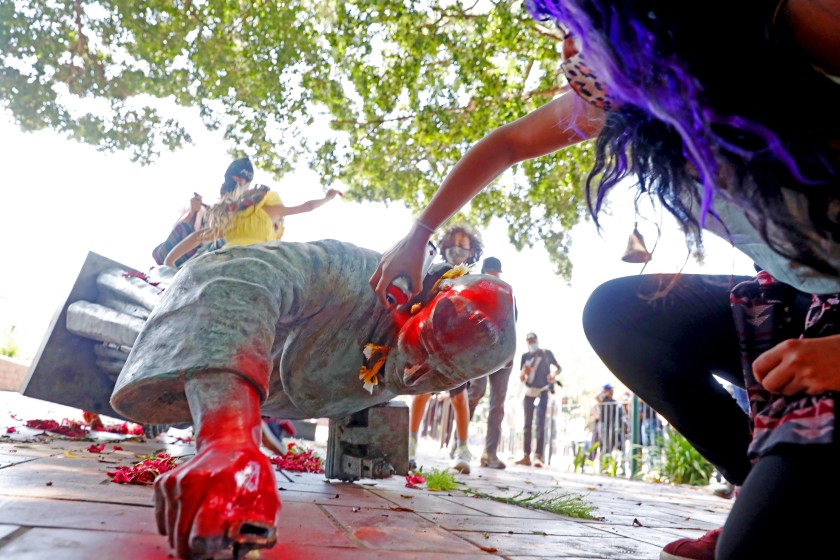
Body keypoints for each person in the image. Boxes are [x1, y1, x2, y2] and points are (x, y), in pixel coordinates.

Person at [369, 1, 840, 557]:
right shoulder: (636, 100)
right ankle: (759, 473)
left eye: (579, 25)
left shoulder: (782, 19)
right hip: (802, 307)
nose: (567, 51)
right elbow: (508, 144)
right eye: (561, 29)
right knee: (619, 314)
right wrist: (419, 232)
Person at [110, 239, 517, 559]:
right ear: (419, 304)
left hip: (273, 386)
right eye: (423, 345)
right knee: (137, 307)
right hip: (191, 330)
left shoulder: (429, 362)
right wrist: (228, 438)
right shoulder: (354, 274)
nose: (416, 374)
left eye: (443, 376)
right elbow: (234, 275)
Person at [407, 224, 487, 474]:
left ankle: (462, 448)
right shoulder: (434, 272)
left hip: (457, 347)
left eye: (463, 247)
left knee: (459, 397)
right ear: (444, 248)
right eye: (453, 246)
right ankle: (409, 444)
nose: (458, 251)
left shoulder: (474, 279)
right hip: (429, 341)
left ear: (472, 251)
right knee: (420, 392)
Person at [163, 157, 342, 267]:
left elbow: (200, 236)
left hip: (227, 256)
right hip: (248, 258)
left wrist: (170, 261)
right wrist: (327, 198)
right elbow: (307, 207)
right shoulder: (263, 213)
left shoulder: (239, 219)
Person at [465, 257, 515, 469]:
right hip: (481, 352)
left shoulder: (508, 292)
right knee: (474, 394)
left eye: (498, 275)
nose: (495, 279)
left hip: (504, 355)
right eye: (491, 274)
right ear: (483, 272)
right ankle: (459, 443)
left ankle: (490, 454)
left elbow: (513, 321)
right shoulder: (474, 289)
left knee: (498, 405)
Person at [515, 332, 561, 467]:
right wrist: (525, 372)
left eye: (533, 340)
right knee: (527, 424)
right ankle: (526, 455)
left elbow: (559, 368)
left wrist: (553, 374)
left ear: (537, 340)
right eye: (529, 341)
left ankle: (538, 456)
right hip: (529, 391)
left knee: (540, 422)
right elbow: (521, 378)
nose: (531, 343)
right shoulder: (525, 357)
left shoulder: (546, 354)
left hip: (543, 390)